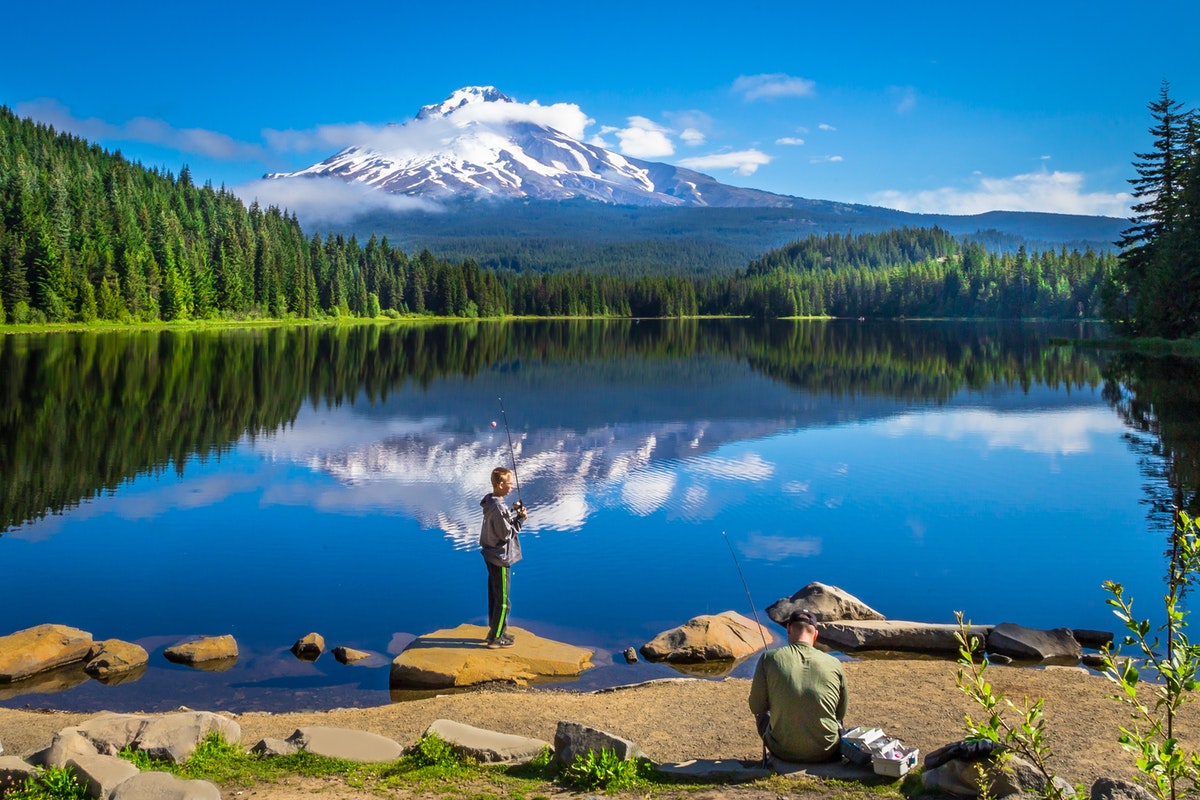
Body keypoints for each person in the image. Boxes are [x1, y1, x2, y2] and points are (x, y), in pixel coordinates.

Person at [748, 608, 848, 763]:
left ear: (788, 629)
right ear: (815, 634)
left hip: (782, 750)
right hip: (827, 750)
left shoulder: (769, 658)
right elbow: (840, 713)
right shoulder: (834, 663)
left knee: (763, 714)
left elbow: (756, 707)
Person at [478, 466, 528, 649]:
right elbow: (506, 534)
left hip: (492, 555)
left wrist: (514, 516)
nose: (512, 487)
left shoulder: (492, 502)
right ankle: (496, 639)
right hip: (500, 557)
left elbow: (502, 527)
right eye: (509, 483)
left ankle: (496, 631)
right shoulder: (498, 507)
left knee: (495, 595)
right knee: (504, 600)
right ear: (500, 484)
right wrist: (521, 520)